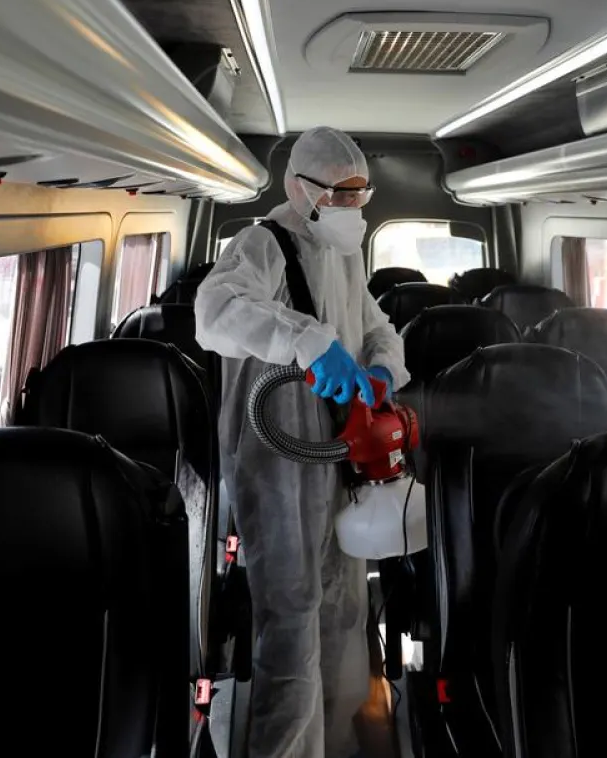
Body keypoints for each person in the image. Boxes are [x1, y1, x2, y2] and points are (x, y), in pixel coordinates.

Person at [196, 126, 409, 758]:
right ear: (298, 187)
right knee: (290, 617)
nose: (351, 207)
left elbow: (376, 324)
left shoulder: (344, 254)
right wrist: (307, 341)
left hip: (337, 456)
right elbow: (216, 311)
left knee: (342, 609)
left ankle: (335, 739)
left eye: (359, 194)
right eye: (339, 194)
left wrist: (382, 367)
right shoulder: (261, 244)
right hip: (279, 459)